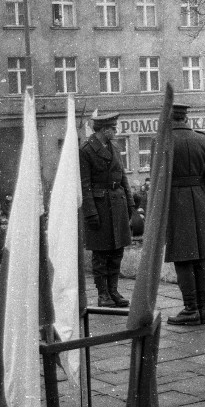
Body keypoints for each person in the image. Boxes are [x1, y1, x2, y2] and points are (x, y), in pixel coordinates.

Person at [164, 103, 205, 325]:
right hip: (200, 202)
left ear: (169, 119)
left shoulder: (163, 141)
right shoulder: (203, 140)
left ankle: (190, 309)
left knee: (182, 259)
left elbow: (158, 183)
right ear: (185, 118)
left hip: (176, 205)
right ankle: (203, 310)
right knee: (200, 258)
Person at [80, 112, 135, 308]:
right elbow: (84, 185)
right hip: (100, 207)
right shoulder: (86, 150)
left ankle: (114, 291)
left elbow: (123, 178)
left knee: (117, 251)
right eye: (113, 128)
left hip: (117, 204)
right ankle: (103, 294)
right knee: (101, 254)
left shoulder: (115, 147)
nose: (116, 131)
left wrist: (130, 204)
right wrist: (91, 212)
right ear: (104, 130)